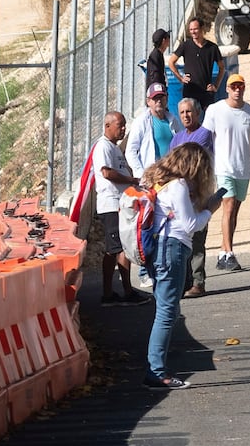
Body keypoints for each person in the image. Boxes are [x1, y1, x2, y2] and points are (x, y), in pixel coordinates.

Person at [141, 143, 223, 390]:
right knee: (166, 313)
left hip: (161, 250)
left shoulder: (162, 183)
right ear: (194, 165)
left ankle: (157, 366)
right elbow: (190, 225)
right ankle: (156, 372)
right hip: (172, 249)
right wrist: (210, 208)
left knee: (168, 310)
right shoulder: (177, 186)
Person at [202, 73, 250, 271]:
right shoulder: (215, 110)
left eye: (240, 86)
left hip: (243, 169)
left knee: (234, 210)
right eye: (233, 86)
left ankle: (223, 252)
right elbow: (206, 137)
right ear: (227, 89)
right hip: (223, 168)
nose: (237, 89)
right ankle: (229, 253)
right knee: (228, 206)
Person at [90, 112, 149, 307]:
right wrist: (131, 180)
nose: (123, 129)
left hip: (120, 203)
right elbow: (106, 172)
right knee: (120, 248)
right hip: (111, 204)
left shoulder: (113, 148)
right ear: (108, 126)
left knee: (114, 248)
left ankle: (111, 293)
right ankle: (126, 291)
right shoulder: (103, 147)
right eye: (120, 125)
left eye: (124, 125)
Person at [125, 83, 180, 287]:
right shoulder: (142, 122)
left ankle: (164, 266)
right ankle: (144, 271)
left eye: (162, 97)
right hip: (151, 182)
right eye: (155, 98)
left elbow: (180, 145)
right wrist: (142, 176)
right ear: (148, 101)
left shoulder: (172, 120)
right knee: (148, 225)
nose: (159, 101)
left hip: (171, 180)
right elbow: (131, 151)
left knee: (168, 222)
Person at [170, 98, 215, 297]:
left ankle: (198, 281)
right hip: (180, 196)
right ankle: (184, 282)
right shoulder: (176, 138)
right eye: (182, 113)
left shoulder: (204, 135)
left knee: (197, 240)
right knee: (182, 239)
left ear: (197, 113)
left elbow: (187, 163)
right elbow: (171, 165)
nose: (186, 116)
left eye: (189, 112)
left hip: (198, 194)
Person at [167, 16, 226, 114]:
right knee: (191, 118)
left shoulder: (212, 48)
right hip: (190, 90)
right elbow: (171, 62)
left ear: (202, 29)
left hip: (206, 91)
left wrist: (216, 86)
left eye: (195, 29)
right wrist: (181, 78)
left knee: (210, 117)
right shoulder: (185, 46)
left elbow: (222, 67)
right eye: (190, 29)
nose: (193, 32)